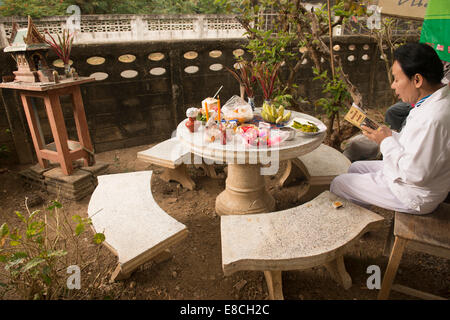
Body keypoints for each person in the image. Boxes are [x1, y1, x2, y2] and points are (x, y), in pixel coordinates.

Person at [330, 43, 450, 215]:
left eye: (396, 79)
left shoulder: (433, 118)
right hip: (414, 179)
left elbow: (415, 174)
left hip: (414, 193)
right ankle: (362, 219)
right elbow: (416, 144)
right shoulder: (433, 101)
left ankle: (351, 228)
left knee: (339, 183)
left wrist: (385, 142)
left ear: (417, 80)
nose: (393, 86)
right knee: (355, 167)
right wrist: (388, 135)